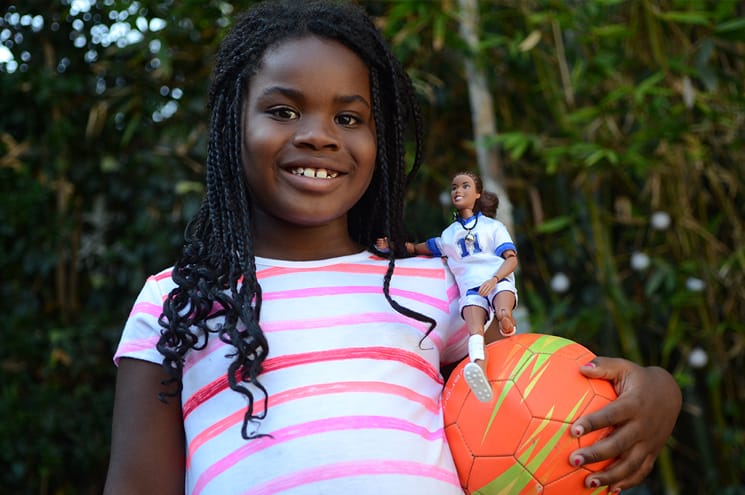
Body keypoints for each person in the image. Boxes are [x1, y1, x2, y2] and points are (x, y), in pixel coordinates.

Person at [103, 2, 682, 494]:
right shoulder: (175, 301)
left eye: (349, 116)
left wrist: (659, 391)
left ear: (382, 140)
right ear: (233, 126)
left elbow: (535, 393)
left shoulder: (432, 285)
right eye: (283, 111)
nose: (319, 134)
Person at [377, 171, 517, 403]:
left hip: (497, 280)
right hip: (471, 290)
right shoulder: (450, 234)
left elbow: (512, 259)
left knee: (502, 312)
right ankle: (478, 370)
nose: (458, 191)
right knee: (475, 331)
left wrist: (494, 279)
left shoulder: (493, 227)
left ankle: (507, 322)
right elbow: (421, 247)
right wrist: (394, 246)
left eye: (465, 186)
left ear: (478, 193)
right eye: (454, 187)